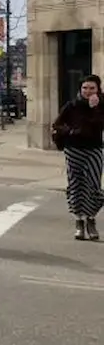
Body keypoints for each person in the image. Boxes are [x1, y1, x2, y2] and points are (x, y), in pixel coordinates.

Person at [51, 74, 104, 241]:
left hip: (94, 149)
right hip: (73, 149)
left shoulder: (101, 105)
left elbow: (101, 124)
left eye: (92, 88)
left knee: (94, 186)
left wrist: (95, 108)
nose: (88, 91)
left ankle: (90, 217)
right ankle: (80, 221)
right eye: (85, 88)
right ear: (80, 89)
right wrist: (70, 131)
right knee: (76, 185)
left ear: (98, 89)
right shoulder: (71, 106)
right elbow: (57, 124)